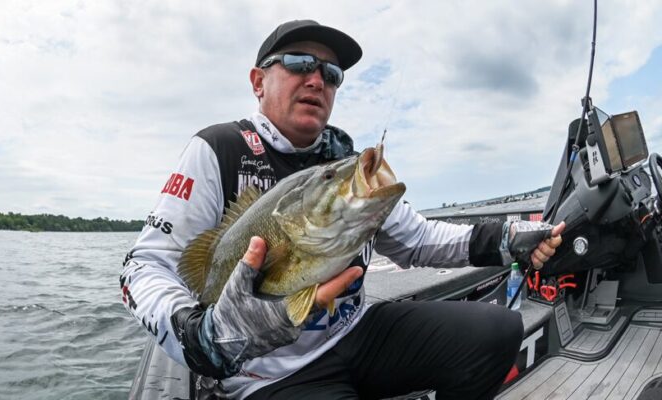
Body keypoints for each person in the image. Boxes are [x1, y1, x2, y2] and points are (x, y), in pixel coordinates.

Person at [121, 19, 564, 399]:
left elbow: (418, 239)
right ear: (258, 82)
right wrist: (199, 334)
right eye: (299, 64)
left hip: (355, 333)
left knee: (496, 330)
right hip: (269, 372)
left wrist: (507, 239)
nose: (317, 80)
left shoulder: (345, 165)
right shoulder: (217, 149)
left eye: (331, 74)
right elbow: (144, 266)